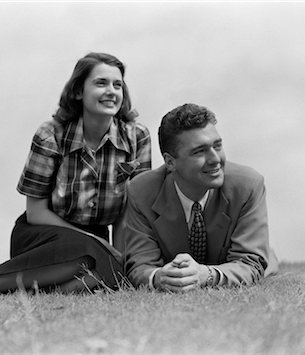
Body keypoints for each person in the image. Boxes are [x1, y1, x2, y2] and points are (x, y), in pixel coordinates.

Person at [0, 52, 151, 299]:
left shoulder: (137, 137)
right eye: (101, 83)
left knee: (110, 274)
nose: (112, 91)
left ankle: (7, 293)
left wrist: (119, 253)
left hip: (97, 241)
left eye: (117, 85)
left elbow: (131, 209)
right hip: (42, 233)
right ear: (78, 91)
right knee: (86, 251)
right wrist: (96, 242)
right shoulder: (50, 135)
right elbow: (36, 212)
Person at [115, 103, 278, 291]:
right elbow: (140, 264)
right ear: (170, 162)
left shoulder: (248, 186)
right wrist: (159, 277)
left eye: (217, 146)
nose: (215, 159)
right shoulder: (140, 191)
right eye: (199, 151)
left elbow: (250, 262)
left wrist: (207, 275)